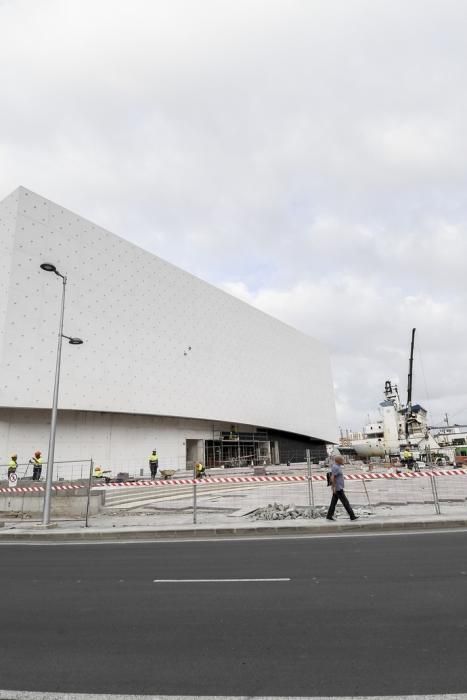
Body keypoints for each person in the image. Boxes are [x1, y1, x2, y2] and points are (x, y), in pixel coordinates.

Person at [326, 456, 358, 521]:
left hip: (338, 488)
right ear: (338, 461)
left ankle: (329, 516)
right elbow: (332, 477)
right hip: (338, 488)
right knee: (346, 502)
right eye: (342, 460)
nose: (343, 461)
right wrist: (334, 488)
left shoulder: (337, 466)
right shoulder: (336, 467)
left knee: (333, 503)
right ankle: (352, 516)